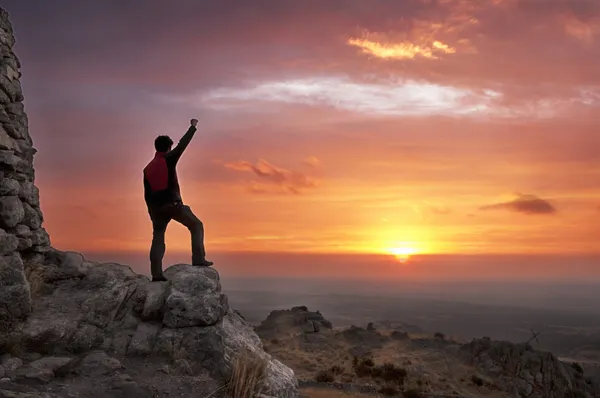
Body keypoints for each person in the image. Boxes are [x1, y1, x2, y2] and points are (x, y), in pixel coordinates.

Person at [143, 118, 213, 282]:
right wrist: (193, 127)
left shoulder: (147, 168)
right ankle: (198, 260)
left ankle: (156, 274)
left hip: (156, 209)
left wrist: (151, 212)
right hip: (173, 205)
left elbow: (147, 193)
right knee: (196, 225)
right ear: (168, 147)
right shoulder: (168, 159)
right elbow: (183, 145)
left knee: (158, 237)